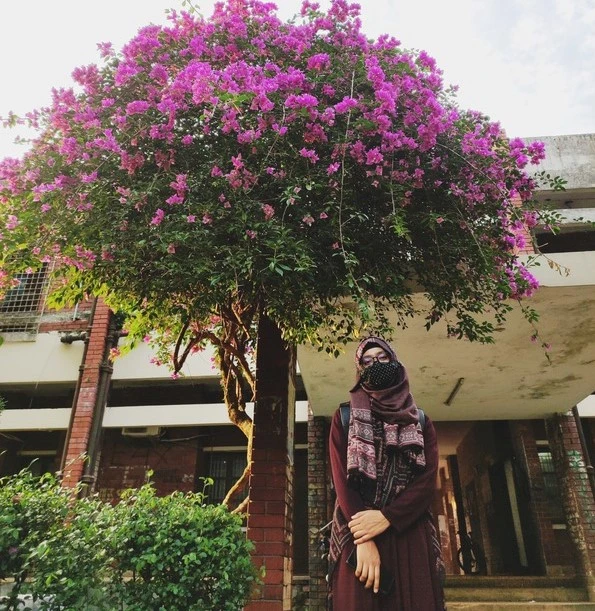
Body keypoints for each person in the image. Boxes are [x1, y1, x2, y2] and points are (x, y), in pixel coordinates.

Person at [327, 336, 445, 610]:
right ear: (359, 370)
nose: (376, 364)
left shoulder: (420, 421)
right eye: (367, 361)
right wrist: (364, 538)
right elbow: (342, 482)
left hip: (409, 533)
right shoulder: (344, 417)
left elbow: (426, 481)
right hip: (357, 533)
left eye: (383, 358)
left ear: (396, 363)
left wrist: (388, 517)